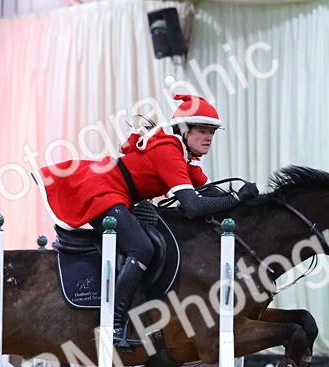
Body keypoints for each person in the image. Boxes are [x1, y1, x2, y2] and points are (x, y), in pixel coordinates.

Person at [41, 93, 260, 350]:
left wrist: (248, 202)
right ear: (184, 131)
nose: (209, 137)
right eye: (202, 131)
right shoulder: (168, 150)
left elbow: (210, 193)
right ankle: (113, 324)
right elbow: (193, 206)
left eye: (212, 132)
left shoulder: (183, 156)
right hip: (101, 192)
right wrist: (236, 196)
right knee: (142, 248)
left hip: (117, 194)